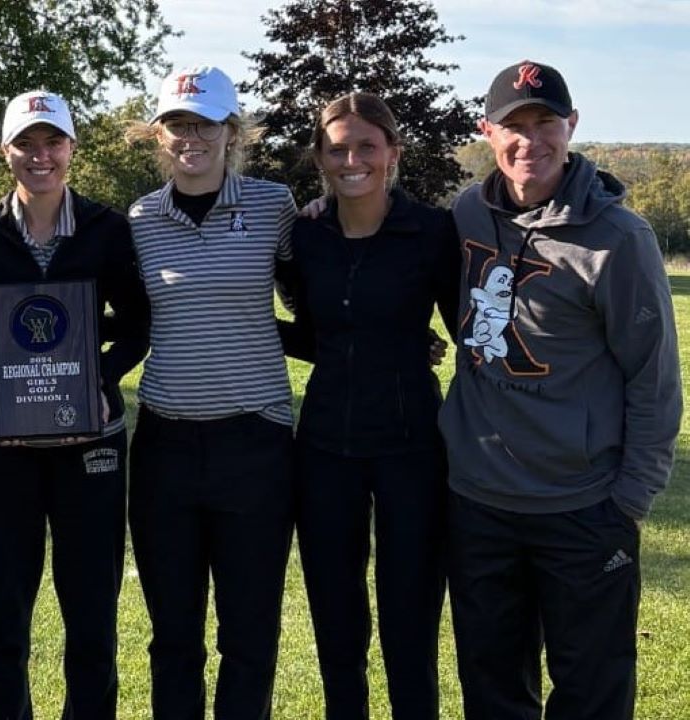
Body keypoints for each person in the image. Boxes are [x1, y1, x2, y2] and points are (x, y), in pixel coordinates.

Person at [441, 60, 681, 720]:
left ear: (571, 125)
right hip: (478, 502)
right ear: (487, 132)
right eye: (514, 126)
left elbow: (654, 380)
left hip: (582, 508)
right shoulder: (467, 212)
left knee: (591, 694)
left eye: (546, 122)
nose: (531, 141)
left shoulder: (617, 240)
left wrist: (627, 500)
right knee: (492, 691)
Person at [0, 91, 150, 719]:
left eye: (52, 142)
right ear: (4, 150)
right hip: (4, 448)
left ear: (71, 149)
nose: (41, 156)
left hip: (90, 445)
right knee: (3, 612)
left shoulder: (106, 229)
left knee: (91, 613)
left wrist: (100, 379)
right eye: (26, 143)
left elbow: (138, 322)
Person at [279, 92, 458, 720]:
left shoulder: (432, 232)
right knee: (337, 619)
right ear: (321, 158)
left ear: (392, 153)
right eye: (337, 148)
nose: (351, 158)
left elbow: (470, 330)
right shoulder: (305, 234)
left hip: (412, 447)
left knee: (410, 620)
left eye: (366, 146)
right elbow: (316, 333)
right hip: (325, 448)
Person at [125, 65, 296, 719]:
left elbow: (315, 307)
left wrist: (398, 340)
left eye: (204, 123)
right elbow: (123, 322)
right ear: (159, 136)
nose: (189, 137)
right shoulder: (140, 219)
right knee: (173, 639)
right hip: (165, 445)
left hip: (255, 443)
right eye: (176, 125)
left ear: (231, 131)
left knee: (249, 635)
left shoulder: (272, 206)